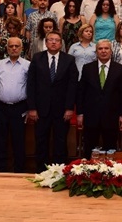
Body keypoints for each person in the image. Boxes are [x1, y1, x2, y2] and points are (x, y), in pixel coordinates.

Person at [26, 30, 79, 172]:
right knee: (41, 142)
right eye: (51, 39)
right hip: (40, 110)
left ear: (61, 43)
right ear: (46, 42)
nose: (54, 42)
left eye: (57, 40)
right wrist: (32, 108)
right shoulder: (37, 58)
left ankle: (60, 173)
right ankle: (41, 172)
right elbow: (31, 84)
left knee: (60, 143)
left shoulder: (69, 60)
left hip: (62, 110)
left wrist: (69, 108)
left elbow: (72, 85)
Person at [77, 39, 122, 159]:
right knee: (89, 149)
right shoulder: (87, 68)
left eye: (106, 48)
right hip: (91, 116)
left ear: (111, 51)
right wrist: (80, 113)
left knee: (110, 150)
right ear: (96, 52)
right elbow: (81, 91)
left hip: (111, 116)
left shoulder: (120, 69)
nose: (103, 51)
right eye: (100, 49)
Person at [0, 37, 30, 172]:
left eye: (16, 46)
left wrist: (29, 109)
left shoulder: (27, 65)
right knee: (0, 140)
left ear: (21, 48)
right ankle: (1, 168)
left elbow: (30, 88)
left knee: (18, 140)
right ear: (7, 49)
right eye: (11, 46)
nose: (13, 48)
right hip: (0, 107)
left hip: (19, 107)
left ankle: (19, 169)